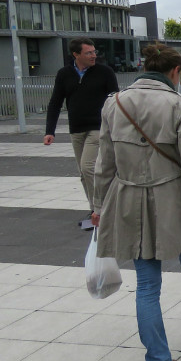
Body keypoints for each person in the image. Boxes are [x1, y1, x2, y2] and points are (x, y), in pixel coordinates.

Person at [91, 42, 181, 361]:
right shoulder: (178, 105)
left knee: (147, 285)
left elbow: (103, 164)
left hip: (129, 200)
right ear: (174, 72)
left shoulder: (114, 103)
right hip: (174, 200)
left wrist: (97, 206)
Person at [44, 37, 119, 230]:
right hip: (76, 129)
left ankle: (102, 209)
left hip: (99, 127)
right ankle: (94, 209)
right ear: (76, 54)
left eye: (94, 52)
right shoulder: (64, 74)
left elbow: (115, 99)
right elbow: (55, 102)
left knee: (88, 168)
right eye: (89, 53)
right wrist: (49, 131)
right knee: (83, 174)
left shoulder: (105, 72)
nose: (94, 55)